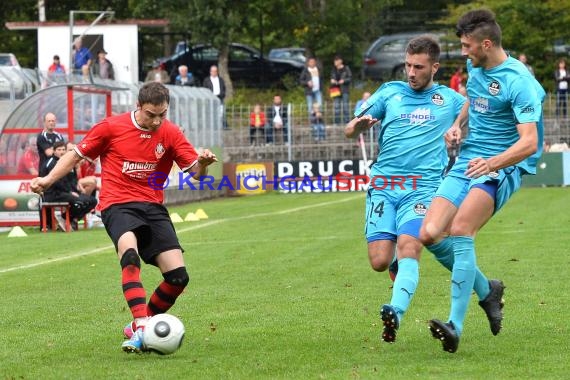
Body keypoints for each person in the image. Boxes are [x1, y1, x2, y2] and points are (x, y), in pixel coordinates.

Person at [31, 82, 217, 353]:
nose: (156, 121)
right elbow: (75, 156)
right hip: (118, 205)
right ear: (138, 106)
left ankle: (140, 325)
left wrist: (202, 163)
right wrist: (47, 180)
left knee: (178, 278)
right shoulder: (111, 127)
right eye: (151, 114)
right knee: (129, 256)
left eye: (162, 114)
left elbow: (197, 174)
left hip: (153, 207)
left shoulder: (171, 132)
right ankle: (142, 327)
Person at [418, 9, 545, 354]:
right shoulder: (476, 67)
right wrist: (458, 123)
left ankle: (455, 326)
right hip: (468, 161)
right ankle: (487, 290)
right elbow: (473, 103)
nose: (463, 52)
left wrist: (492, 162)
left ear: (486, 44)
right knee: (429, 234)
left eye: (466, 45)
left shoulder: (518, 82)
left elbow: (529, 142)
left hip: (500, 166)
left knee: (460, 230)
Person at [345, 35, 466, 345]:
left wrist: (456, 134)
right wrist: (358, 126)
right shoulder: (390, 93)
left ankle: (394, 311)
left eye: (419, 67)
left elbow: (473, 120)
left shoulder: (449, 100)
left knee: (410, 245)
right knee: (380, 261)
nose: (411, 73)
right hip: (384, 187)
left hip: (423, 190)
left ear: (434, 67)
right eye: (408, 66)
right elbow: (350, 127)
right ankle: (407, 268)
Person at [40, 141, 98, 231]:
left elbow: (71, 181)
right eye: (59, 150)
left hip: (64, 192)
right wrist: (70, 192)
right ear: (54, 151)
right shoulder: (52, 163)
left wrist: (75, 191)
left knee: (92, 201)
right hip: (52, 194)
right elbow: (56, 182)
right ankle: (65, 219)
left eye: (63, 149)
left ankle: (69, 219)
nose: (62, 152)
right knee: (79, 202)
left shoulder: (67, 163)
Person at [203, 65, 227, 129]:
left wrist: (222, 94)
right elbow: (205, 89)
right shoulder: (207, 80)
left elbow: (223, 88)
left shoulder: (220, 79)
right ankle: (211, 126)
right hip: (210, 99)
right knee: (211, 113)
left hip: (220, 98)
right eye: (213, 71)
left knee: (221, 113)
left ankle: (223, 126)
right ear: (210, 72)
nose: (214, 72)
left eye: (215, 71)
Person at [330, 55, 352, 124]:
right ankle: (337, 123)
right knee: (336, 107)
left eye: (336, 60)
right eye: (334, 60)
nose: (335, 62)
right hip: (335, 90)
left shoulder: (346, 68)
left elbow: (350, 78)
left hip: (344, 89)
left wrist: (344, 81)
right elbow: (331, 78)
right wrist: (332, 80)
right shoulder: (333, 69)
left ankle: (347, 122)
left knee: (345, 106)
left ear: (340, 61)